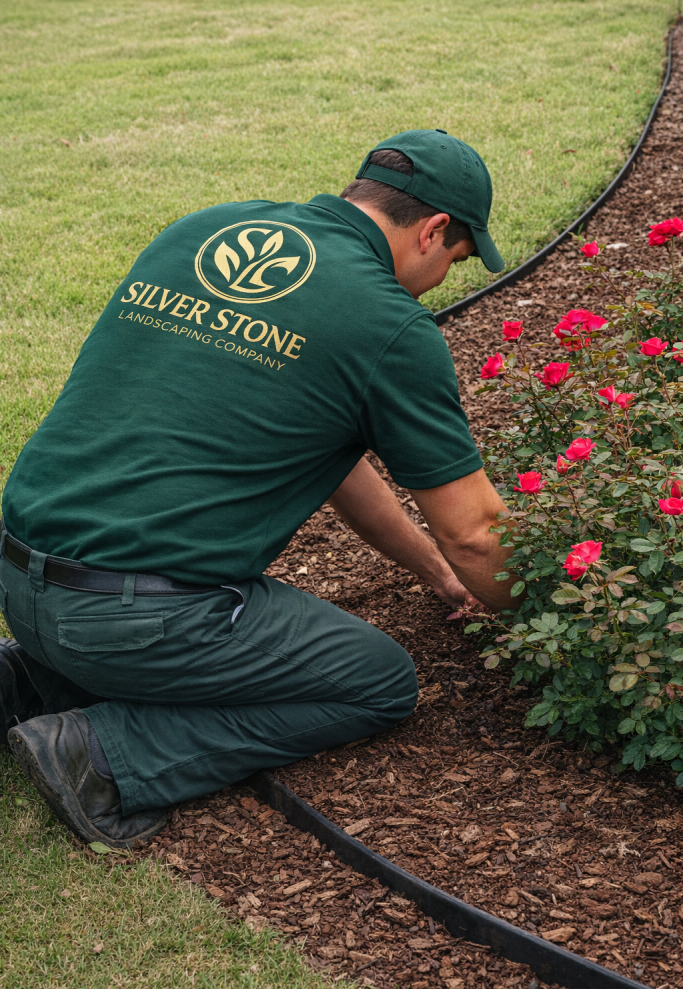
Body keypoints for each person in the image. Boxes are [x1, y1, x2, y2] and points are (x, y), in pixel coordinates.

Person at [1, 130, 514, 849]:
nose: (440, 283)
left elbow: (330, 457)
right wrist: (550, 626)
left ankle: (28, 681)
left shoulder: (209, 227)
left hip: (20, 578)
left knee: (101, 616)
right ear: (433, 231)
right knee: (378, 683)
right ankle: (99, 757)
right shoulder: (387, 326)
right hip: (130, 621)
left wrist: (433, 572)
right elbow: (475, 533)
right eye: (455, 262)